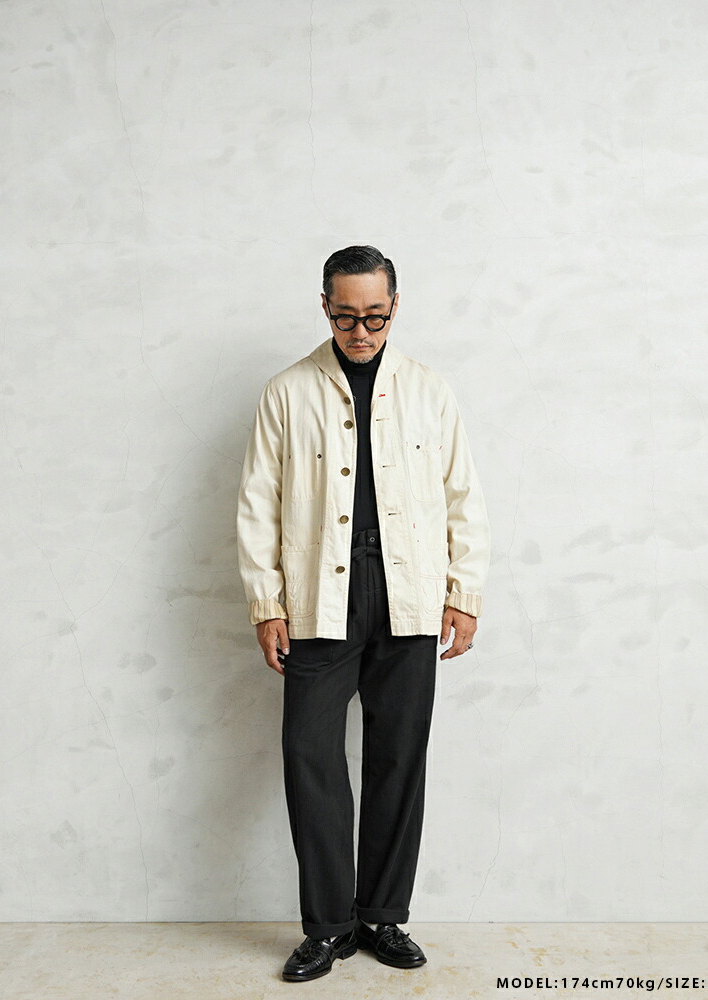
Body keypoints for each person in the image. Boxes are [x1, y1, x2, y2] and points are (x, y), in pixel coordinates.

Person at [236, 245, 491, 982]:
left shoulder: (428, 389)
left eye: (375, 317)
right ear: (324, 307)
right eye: (346, 316)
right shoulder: (287, 392)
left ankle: (383, 916)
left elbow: (463, 497)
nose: (360, 331)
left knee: (398, 757)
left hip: (410, 594)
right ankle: (327, 927)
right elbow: (257, 502)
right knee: (309, 756)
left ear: (395, 307)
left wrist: (463, 592)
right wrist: (266, 601)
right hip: (318, 595)